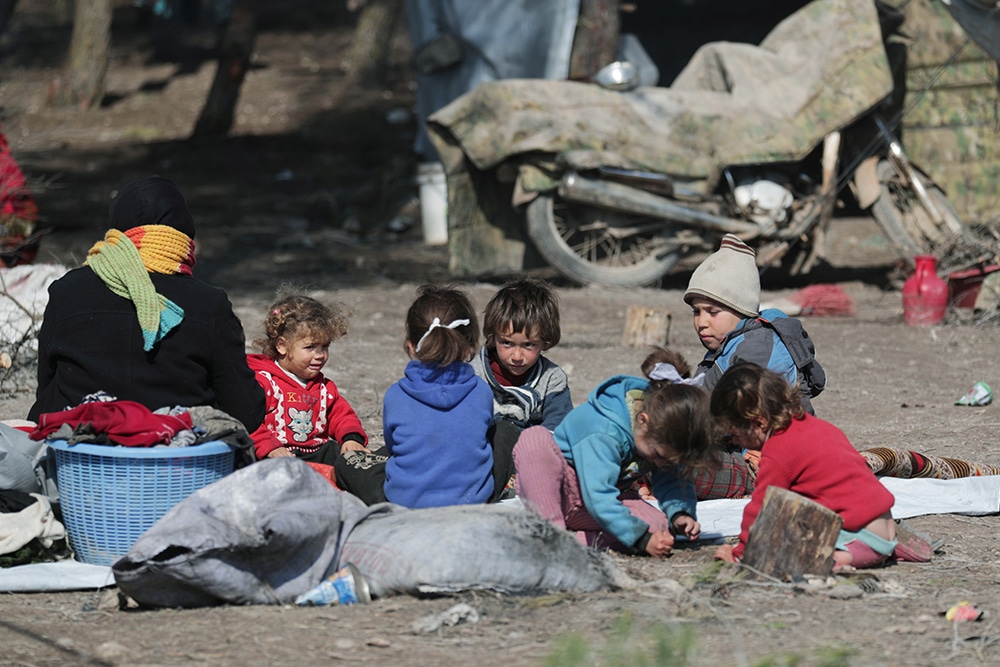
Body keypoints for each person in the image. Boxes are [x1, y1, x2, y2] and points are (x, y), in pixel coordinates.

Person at [28, 176, 265, 433]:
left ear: (118, 229)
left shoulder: (66, 291)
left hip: (78, 452)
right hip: (177, 458)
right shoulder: (210, 304)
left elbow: (46, 387)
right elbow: (246, 412)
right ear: (184, 231)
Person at [710, 363, 929, 570]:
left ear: (758, 423)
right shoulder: (815, 427)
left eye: (735, 435)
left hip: (860, 541)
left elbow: (762, 508)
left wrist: (742, 553)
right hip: (884, 520)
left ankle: (843, 559)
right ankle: (888, 542)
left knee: (791, 556)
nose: (734, 442)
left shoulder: (778, 451)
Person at [513, 347, 714, 557]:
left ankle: (575, 542)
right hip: (558, 490)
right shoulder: (604, 430)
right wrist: (640, 539)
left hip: (602, 501)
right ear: (643, 421)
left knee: (658, 527)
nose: (661, 463)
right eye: (660, 456)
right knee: (534, 440)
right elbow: (597, 493)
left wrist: (679, 513)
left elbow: (672, 478)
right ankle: (549, 535)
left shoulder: (660, 434)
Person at [682, 234, 825, 500]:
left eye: (712, 312)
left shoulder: (758, 349)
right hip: (738, 446)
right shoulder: (728, 344)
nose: (702, 322)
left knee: (677, 470)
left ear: (742, 311)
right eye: (696, 312)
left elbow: (733, 415)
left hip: (773, 460)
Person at [341, 283, 508, 509]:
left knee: (348, 463)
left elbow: (392, 447)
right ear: (470, 345)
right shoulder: (481, 391)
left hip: (406, 504)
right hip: (471, 502)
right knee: (506, 432)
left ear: (411, 345)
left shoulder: (396, 395)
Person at [247, 293, 368, 464]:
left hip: (316, 452)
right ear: (282, 346)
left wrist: (351, 438)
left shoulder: (324, 389)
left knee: (348, 460)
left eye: (325, 346)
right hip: (276, 456)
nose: (320, 355)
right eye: (310, 347)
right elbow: (247, 419)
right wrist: (269, 446)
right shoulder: (263, 382)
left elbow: (341, 415)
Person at [470, 277, 572, 432]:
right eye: (507, 343)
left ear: (545, 341)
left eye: (528, 345)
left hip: (531, 451)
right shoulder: (474, 375)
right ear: (493, 336)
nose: (517, 356)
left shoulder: (552, 379)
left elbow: (560, 426)